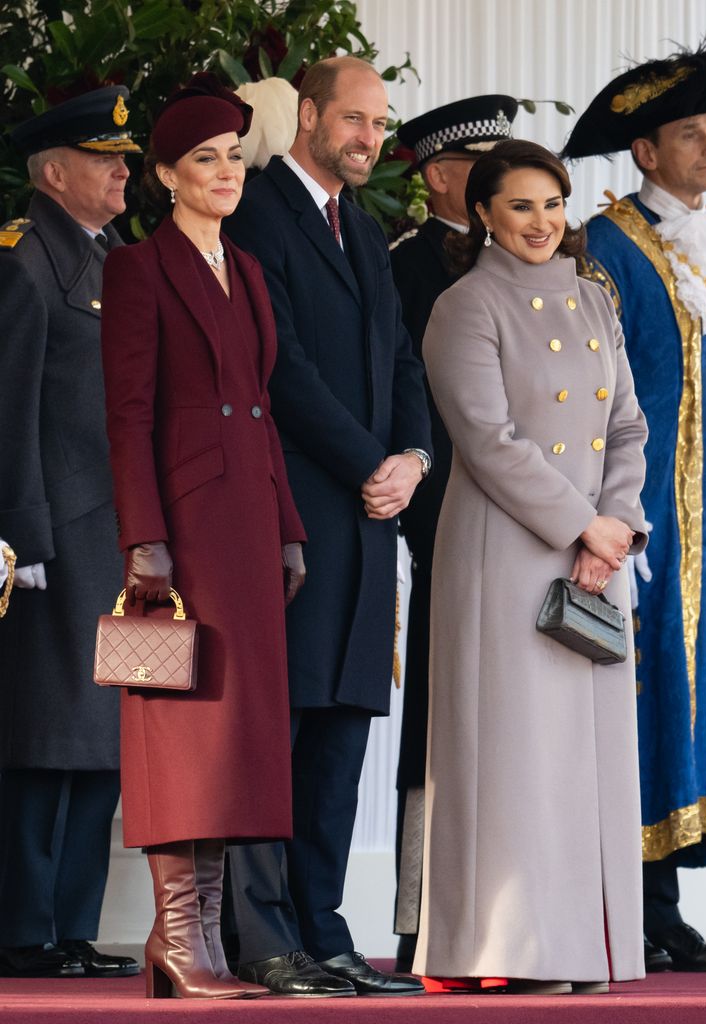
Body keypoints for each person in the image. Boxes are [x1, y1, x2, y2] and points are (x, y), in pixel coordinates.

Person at [414, 139, 648, 993]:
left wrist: (618, 522)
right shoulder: (464, 307)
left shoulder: (595, 300)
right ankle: (506, 948)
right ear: (482, 212)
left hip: (595, 551)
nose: (542, 223)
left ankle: (587, 947)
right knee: (513, 755)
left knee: (584, 757)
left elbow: (628, 427)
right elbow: (487, 440)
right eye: (521, 206)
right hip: (507, 553)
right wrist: (583, 524)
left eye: (554, 205)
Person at [223, 56, 431, 998]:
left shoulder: (366, 224)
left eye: (380, 125)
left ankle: (324, 930)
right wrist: (367, 463)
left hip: (368, 517)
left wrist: (414, 458)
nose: (369, 139)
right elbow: (282, 368)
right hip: (294, 513)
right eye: (354, 120)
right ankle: (264, 940)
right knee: (282, 729)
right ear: (306, 114)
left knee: (342, 730)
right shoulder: (257, 213)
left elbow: (400, 361)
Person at [562, 36, 706, 973]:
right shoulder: (606, 247)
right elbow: (595, 394)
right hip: (645, 523)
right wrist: (613, 519)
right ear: (644, 152)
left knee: (698, 692)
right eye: (689, 135)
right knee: (641, 696)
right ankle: (638, 906)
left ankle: (668, 903)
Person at [99, 74, 307, 1000]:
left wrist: (291, 529)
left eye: (232, 157)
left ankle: (197, 945)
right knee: (185, 730)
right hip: (182, 532)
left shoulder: (251, 270)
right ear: (165, 176)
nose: (225, 173)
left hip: (251, 525)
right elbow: (127, 415)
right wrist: (144, 538)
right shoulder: (136, 269)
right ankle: (180, 941)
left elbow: (262, 411)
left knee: (240, 738)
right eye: (203, 161)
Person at [0, 87, 141, 981]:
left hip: (124, 540)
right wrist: (23, 536)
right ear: (56, 173)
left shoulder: (113, 254)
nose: (126, 170)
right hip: (57, 535)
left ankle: (73, 926)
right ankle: (23, 926)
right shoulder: (23, 263)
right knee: (45, 740)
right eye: (108, 158)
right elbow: (7, 407)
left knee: (105, 738)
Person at [390, 94, 519, 971]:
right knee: (442, 722)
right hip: (447, 519)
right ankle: (425, 917)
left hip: (532, 526)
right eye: (483, 167)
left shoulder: (540, 259)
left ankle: (523, 912)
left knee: (526, 718)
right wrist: (424, 514)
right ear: (440, 176)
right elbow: (407, 401)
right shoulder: (403, 266)